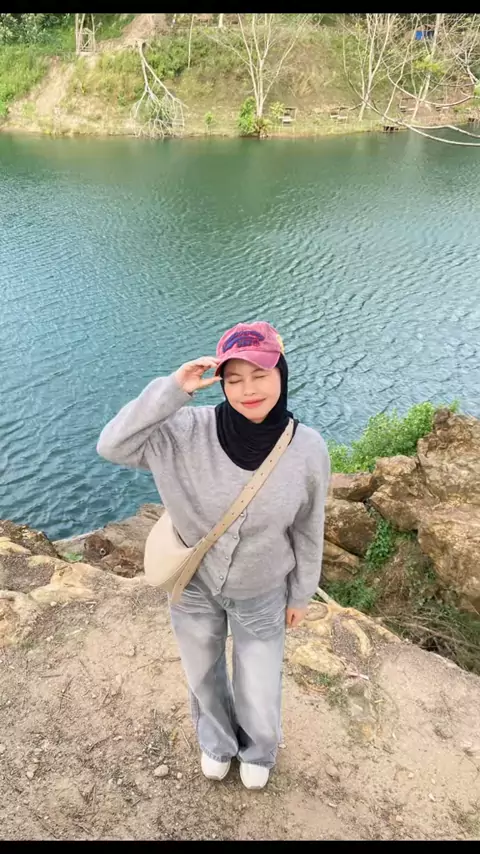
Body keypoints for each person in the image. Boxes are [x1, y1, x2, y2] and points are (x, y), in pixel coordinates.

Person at [96, 321, 330, 790]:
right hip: (193, 585)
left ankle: (259, 749)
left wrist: (301, 594)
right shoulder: (184, 430)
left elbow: (309, 528)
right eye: (234, 379)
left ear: (281, 374)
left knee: (258, 679)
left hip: (262, 588)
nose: (249, 390)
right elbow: (112, 445)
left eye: (260, 375)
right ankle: (217, 742)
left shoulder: (307, 449)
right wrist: (172, 390)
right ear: (220, 383)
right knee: (202, 671)